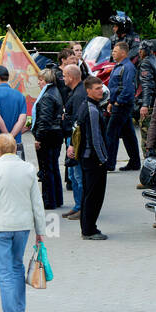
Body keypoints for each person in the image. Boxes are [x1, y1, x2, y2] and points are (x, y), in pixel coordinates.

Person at [0, 133, 47, 312]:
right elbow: (37, 202)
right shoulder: (28, 169)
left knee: (5, 270)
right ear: (15, 149)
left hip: (0, 226)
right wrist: (40, 230)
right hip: (22, 226)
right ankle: (19, 309)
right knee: (17, 266)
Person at [76, 76, 110, 240]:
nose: (101, 91)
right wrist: (103, 159)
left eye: (101, 87)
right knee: (94, 196)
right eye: (97, 88)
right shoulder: (92, 110)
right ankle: (89, 230)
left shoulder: (87, 106)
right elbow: (96, 139)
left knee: (88, 194)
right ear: (88, 90)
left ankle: (87, 227)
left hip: (87, 157)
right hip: (93, 158)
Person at [104, 41, 141, 172]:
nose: (112, 53)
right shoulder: (118, 66)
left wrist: (118, 101)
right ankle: (135, 162)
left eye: (115, 51)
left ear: (123, 53)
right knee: (128, 134)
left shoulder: (128, 67)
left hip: (122, 105)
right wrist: (110, 101)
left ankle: (109, 163)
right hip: (117, 103)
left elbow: (128, 88)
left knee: (111, 133)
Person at [32, 68, 65, 212]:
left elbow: (44, 120)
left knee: (46, 169)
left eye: (40, 80)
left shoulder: (46, 96)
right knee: (54, 167)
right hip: (56, 133)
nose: (38, 82)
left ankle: (48, 201)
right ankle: (57, 198)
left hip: (48, 135)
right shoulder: (55, 92)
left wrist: (38, 137)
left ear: (45, 81)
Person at [0, 66, 28, 164]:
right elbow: (22, 119)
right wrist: (11, 137)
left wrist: (6, 136)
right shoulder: (19, 95)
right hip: (15, 143)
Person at [61, 63, 86, 220]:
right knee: (73, 173)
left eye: (64, 76)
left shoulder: (78, 95)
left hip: (75, 139)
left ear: (71, 77)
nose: (63, 78)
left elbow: (78, 122)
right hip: (71, 137)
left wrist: (72, 145)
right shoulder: (76, 92)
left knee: (78, 175)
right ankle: (77, 205)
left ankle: (82, 207)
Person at [136, 39, 156, 142]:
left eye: (141, 50)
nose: (139, 52)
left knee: (147, 137)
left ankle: (149, 157)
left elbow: (146, 85)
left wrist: (145, 104)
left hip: (150, 104)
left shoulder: (146, 63)